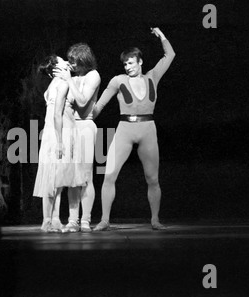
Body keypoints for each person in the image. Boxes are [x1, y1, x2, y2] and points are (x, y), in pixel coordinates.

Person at [92, 28, 176, 231]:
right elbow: (99, 106)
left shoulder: (152, 77)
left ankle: (155, 220)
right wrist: (83, 120)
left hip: (148, 129)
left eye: (131, 63)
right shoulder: (118, 81)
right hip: (125, 129)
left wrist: (161, 35)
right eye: (125, 64)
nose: (127, 66)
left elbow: (170, 55)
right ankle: (104, 220)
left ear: (140, 62)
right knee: (109, 175)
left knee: (152, 178)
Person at [33, 55, 88, 232]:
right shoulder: (63, 83)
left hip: (53, 131)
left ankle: (53, 219)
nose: (67, 62)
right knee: (54, 178)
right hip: (60, 132)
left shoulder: (52, 85)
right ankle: (48, 221)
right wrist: (59, 141)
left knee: (55, 178)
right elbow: (57, 114)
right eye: (63, 60)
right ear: (57, 67)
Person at [53, 43, 101, 233]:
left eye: (75, 61)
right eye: (70, 61)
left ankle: (85, 220)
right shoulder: (72, 77)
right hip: (70, 127)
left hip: (85, 126)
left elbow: (82, 102)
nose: (72, 65)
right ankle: (73, 220)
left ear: (84, 60)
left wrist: (69, 81)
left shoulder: (93, 75)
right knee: (72, 177)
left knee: (86, 177)